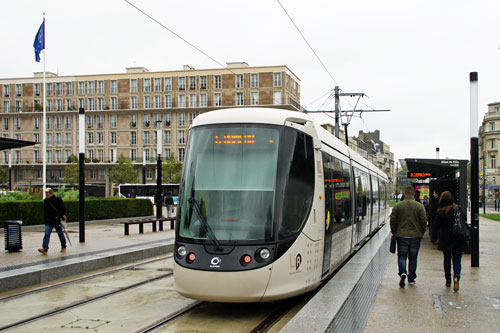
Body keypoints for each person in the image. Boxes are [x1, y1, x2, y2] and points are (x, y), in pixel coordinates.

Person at [390, 185, 428, 287]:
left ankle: (402, 272)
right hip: (416, 236)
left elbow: (393, 220)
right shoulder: (419, 206)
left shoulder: (398, 206)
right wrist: (421, 232)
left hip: (402, 236)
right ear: (414, 194)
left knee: (402, 256)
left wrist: (395, 231)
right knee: (413, 258)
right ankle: (411, 278)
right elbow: (424, 221)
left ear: (404, 194)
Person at [434, 191, 467, 292]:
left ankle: (448, 280)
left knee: (447, 260)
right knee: (457, 261)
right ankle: (456, 276)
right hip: (458, 238)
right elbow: (464, 220)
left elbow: (436, 225)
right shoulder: (458, 208)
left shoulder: (440, 211)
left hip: (446, 239)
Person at [38, 188, 67, 255]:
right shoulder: (46, 201)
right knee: (47, 233)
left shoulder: (58, 200)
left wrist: (59, 216)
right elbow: (45, 211)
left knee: (60, 234)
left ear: (51, 193)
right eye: (45, 193)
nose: (46, 195)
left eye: (47, 193)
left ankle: (63, 246)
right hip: (49, 221)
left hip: (57, 220)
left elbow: (63, 209)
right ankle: (45, 249)